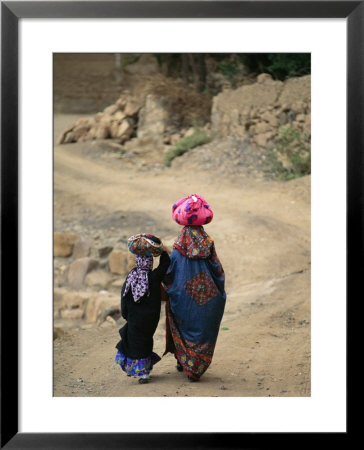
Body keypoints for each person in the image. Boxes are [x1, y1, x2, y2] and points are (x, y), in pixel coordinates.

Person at [163, 194, 226, 381]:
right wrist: (218, 291)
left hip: (182, 295)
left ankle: (183, 361)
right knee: (203, 326)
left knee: (183, 324)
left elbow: (172, 270)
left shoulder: (178, 245)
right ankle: (196, 367)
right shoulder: (208, 243)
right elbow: (218, 270)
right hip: (208, 296)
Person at [115, 237, 170, 384]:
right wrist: (163, 251)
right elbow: (165, 264)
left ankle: (140, 371)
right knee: (146, 342)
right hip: (150, 320)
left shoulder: (131, 277)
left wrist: (126, 315)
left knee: (134, 342)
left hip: (133, 319)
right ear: (149, 263)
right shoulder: (153, 277)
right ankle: (144, 373)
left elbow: (124, 297)